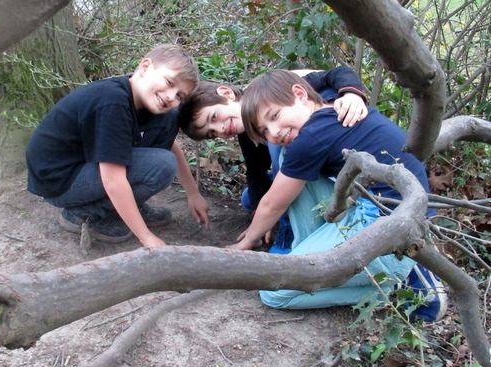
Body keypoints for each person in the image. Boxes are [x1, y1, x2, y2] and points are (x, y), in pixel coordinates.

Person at [231, 69, 447, 322]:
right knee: (285, 155)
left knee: (273, 293)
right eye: (265, 131)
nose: (274, 132)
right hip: (376, 206)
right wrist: (352, 91)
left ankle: (397, 286)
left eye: (275, 116)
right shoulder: (331, 101)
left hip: (390, 232)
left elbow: (271, 204)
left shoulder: (311, 137)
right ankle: (310, 255)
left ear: (300, 94)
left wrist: (245, 244)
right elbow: (328, 76)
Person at [26, 44, 210, 248]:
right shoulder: (113, 101)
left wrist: (193, 194)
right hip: (59, 180)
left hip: (84, 165)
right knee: (161, 165)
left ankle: (126, 208)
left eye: (179, 96)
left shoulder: (149, 104)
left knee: (168, 125)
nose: (170, 96)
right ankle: (88, 213)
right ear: (145, 67)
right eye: (169, 82)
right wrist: (146, 237)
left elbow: (170, 144)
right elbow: (112, 179)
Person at [178, 67, 368, 253]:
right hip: (314, 169)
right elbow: (255, 172)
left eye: (214, 117)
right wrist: (260, 221)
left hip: (347, 160)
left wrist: (351, 94)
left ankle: (289, 234)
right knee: (250, 200)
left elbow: (336, 73)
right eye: (212, 134)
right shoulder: (247, 130)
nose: (220, 129)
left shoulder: (271, 91)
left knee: (281, 147)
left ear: (226, 94)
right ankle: (285, 216)